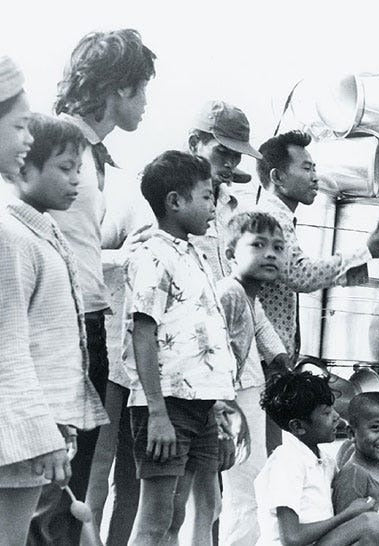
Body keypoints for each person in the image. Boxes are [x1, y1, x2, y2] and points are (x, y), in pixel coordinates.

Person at [33, 28, 156, 546]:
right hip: (63, 326)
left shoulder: (89, 153)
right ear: (119, 89)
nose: (147, 103)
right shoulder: (59, 146)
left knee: (72, 482)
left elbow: (78, 245)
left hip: (87, 325)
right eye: (143, 89)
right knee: (52, 483)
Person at [0, 86, 110, 543]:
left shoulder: (43, 235)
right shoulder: (14, 240)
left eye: (79, 170)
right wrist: (43, 431)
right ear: (24, 167)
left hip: (40, 427)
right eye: (65, 168)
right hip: (22, 428)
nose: (76, 181)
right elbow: (10, 348)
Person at [122, 151, 237, 545]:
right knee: (155, 519)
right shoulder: (153, 254)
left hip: (199, 407)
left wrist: (217, 404)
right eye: (206, 197)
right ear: (174, 201)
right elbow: (143, 333)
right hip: (167, 405)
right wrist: (156, 412)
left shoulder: (193, 254)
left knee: (176, 517)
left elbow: (199, 335)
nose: (212, 208)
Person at [252, 129, 379, 454]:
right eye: (306, 168)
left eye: (314, 168)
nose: (315, 177)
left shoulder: (275, 218)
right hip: (263, 357)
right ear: (277, 177)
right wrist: (364, 252)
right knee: (266, 455)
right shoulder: (274, 220)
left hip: (270, 356)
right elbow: (300, 274)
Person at [216, 211, 291, 545]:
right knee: (245, 490)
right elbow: (218, 354)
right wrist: (230, 410)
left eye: (277, 246)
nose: (271, 254)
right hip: (233, 396)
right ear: (231, 253)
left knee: (250, 485)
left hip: (248, 390)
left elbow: (261, 327)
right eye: (258, 245)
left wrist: (281, 362)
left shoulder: (248, 294)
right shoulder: (229, 293)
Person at [255, 371, 379, 546]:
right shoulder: (286, 462)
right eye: (326, 413)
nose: (336, 416)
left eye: (332, 409)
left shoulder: (324, 461)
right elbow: (292, 538)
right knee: (371, 524)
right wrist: (347, 515)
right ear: (298, 426)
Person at [188, 100, 263, 280]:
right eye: (222, 151)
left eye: (237, 155)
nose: (230, 163)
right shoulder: (154, 198)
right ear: (194, 144)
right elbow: (108, 251)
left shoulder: (238, 210)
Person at [331, 392, 379, 530]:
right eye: (375, 428)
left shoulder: (375, 471)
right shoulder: (355, 477)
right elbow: (344, 534)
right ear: (351, 434)